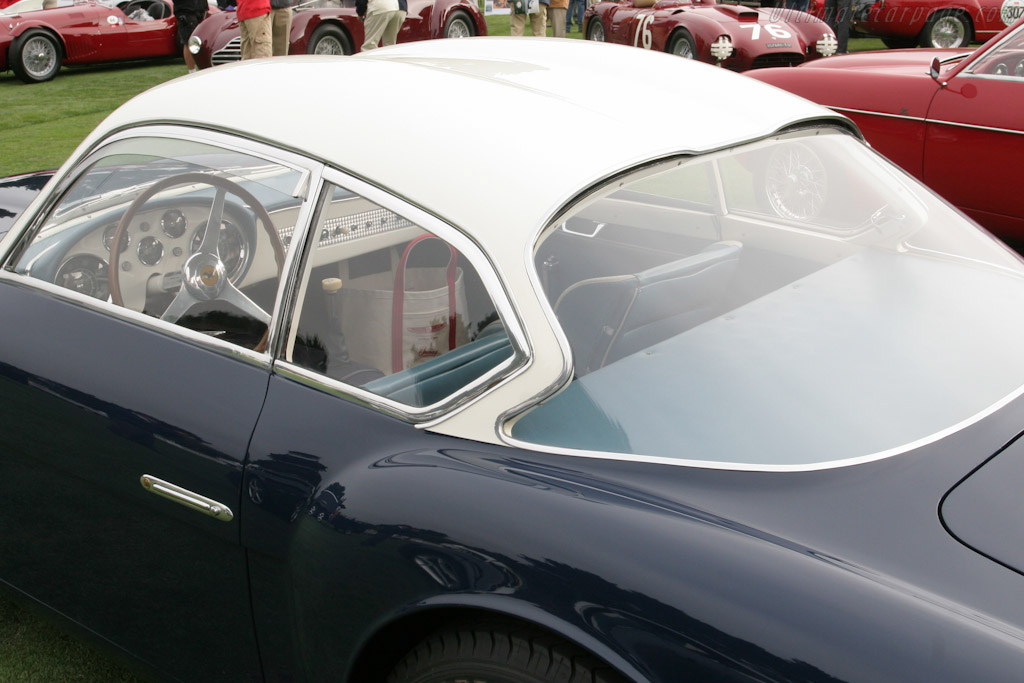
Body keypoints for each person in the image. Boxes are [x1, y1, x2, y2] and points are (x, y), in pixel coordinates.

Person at [174, 0, 209, 73]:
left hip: (200, 8)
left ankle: (205, 67)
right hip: (185, 11)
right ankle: (192, 71)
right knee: (189, 42)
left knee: (203, 40)